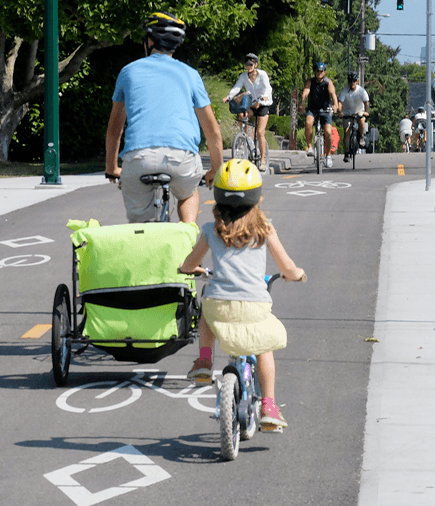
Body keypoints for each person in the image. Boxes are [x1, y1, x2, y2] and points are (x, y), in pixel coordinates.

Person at [179, 159, 306, 429]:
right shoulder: (265, 229)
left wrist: (189, 268)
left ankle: (204, 360)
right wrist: (295, 274)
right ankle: (269, 405)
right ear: (256, 197)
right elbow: (286, 266)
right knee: (263, 348)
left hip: (220, 306)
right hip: (254, 306)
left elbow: (190, 264)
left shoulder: (211, 230)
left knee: (206, 312)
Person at [105, 12, 224, 224]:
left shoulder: (128, 72)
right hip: (182, 158)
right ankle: (187, 239)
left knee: (140, 225)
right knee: (188, 194)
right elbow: (212, 130)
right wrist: (215, 168)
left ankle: (144, 241)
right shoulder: (190, 74)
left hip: (138, 157)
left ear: (149, 41)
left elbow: (115, 129)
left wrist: (112, 168)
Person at [221, 53, 273, 169]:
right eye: (247, 64)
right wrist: (229, 96)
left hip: (263, 104)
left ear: (256, 65)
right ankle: (247, 138)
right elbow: (237, 87)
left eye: (251, 64)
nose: (248, 66)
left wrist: (264, 97)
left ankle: (263, 159)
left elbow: (268, 88)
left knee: (260, 132)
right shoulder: (243, 76)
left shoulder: (262, 74)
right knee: (241, 114)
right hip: (252, 104)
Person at [300, 61, 340, 169]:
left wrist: (335, 105)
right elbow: (305, 92)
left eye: (321, 71)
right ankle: (309, 147)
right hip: (313, 109)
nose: (319, 73)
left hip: (325, 110)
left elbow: (333, 95)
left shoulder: (328, 82)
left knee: (328, 132)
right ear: (315, 72)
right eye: (317, 71)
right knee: (308, 122)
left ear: (324, 72)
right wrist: (302, 104)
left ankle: (328, 156)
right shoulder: (310, 82)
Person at [338, 72, 370, 163]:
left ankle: (362, 137)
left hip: (359, 111)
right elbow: (340, 102)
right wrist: (340, 112)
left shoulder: (362, 91)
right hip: (347, 113)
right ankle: (346, 153)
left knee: (362, 121)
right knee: (346, 131)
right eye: (350, 81)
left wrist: (366, 112)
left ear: (357, 81)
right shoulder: (345, 91)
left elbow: (366, 102)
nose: (352, 83)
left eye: (354, 81)